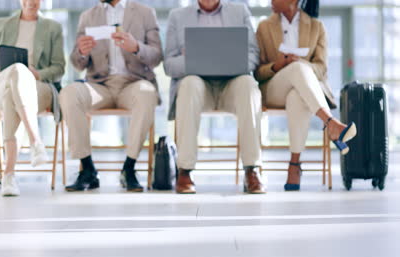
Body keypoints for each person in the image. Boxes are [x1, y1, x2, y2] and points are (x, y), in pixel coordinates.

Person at [60, 0, 163, 192]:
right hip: (100, 85)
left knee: (147, 93)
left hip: (133, 83)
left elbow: (157, 56)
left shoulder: (146, 13)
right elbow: (77, 63)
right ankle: (88, 169)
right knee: (69, 93)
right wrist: (82, 52)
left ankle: (129, 168)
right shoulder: (87, 16)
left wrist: (136, 47)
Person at [164, 0, 265, 194]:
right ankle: (185, 170)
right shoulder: (177, 16)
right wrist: (192, 59)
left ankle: (252, 169)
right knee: (189, 84)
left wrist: (231, 60)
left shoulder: (240, 11)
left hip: (231, 84)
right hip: (198, 87)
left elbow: (253, 54)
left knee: (249, 85)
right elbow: (169, 64)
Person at [255, 0, 357, 191]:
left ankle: (295, 164)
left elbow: (321, 69)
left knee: (296, 94)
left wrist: (300, 63)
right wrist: (278, 65)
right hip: (273, 88)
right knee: (296, 70)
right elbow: (257, 72)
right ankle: (330, 123)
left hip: (302, 90)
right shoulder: (263, 27)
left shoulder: (317, 27)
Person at [0, 0, 66, 196]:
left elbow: (59, 68)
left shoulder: (52, 28)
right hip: (1, 85)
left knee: (13, 93)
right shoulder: (2, 25)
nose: (32, 2)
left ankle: (9, 176)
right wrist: (0, 71)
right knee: (15, 74)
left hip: (38, 87)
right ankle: (36, 142)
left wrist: (36, 74)